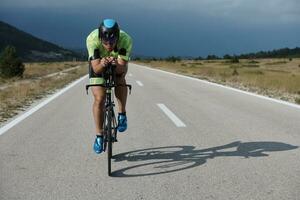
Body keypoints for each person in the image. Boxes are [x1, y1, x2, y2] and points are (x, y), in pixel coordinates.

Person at [86, 19, 133, 154]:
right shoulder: (92, 39)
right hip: (98, 65)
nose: (109, 46)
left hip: (117, 63)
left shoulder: (126, 40)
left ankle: (122, 113)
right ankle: (99, 136)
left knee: (120, 78)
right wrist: (103, 63)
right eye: (105, 42)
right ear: (100, 38)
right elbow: (96, 69)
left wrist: (114, 64)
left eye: (112, 42)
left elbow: (121, 68)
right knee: (99, 98)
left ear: (118, 38)